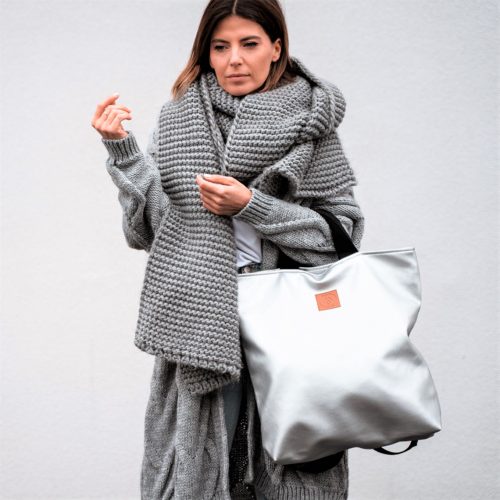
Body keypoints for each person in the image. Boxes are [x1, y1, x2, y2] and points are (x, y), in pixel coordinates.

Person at [91, 0, 364, 498]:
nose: (234, 59)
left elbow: (341, 238)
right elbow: (148, 232)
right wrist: (124, 152)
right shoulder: (179, 121)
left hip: (291, 330)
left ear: (276, 48)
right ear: (207, 53)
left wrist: (252, 206)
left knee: (292, 473)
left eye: (249, 43)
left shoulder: (312, 127)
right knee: (199, 470)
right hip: (202, 324)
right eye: (220, 47)